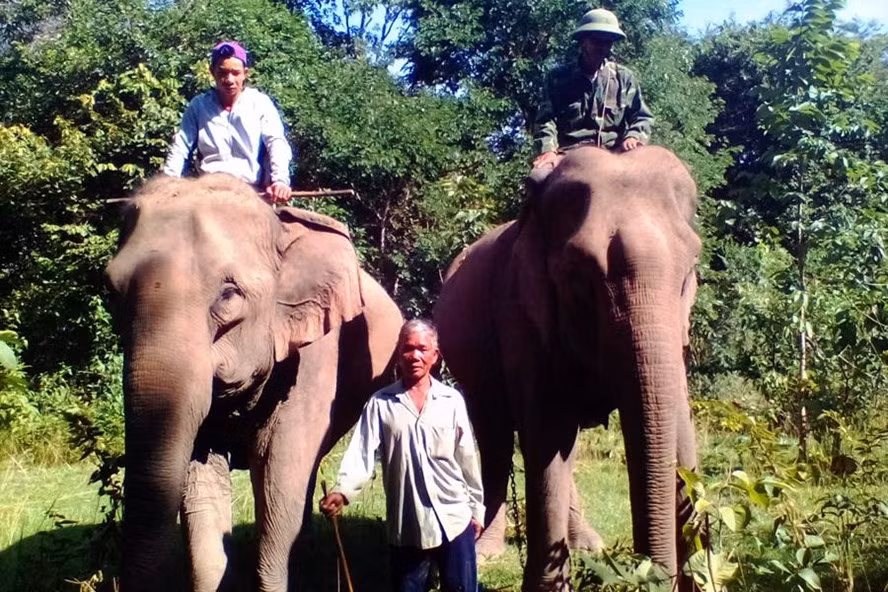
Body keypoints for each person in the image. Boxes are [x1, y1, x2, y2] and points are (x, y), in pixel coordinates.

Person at [320, 319, 484, 592]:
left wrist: (476, 510)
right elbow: (362, 453)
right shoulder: (380, 404)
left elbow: (466, 458)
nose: (415, 356)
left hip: (454, 518)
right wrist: (342, 491)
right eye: (408, 348)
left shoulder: (451, 400)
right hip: (408, 523)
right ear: (399, 354)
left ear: (435, 356)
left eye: (422, 349)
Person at [163, 41, 293, 203]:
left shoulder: (260, 103)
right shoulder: (198, 106)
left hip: (250, 191)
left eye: (235, 73)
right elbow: (180, 146)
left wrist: (280, 181)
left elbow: (276, 143)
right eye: (222, 73)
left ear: (245, 73)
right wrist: (168, 182)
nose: (229, 80)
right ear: (212, 72)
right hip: (207, 193)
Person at [532, 8, 653, 170]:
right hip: (569, 154)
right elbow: (545, 119)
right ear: (583, 41)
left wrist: (633, 136)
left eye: (607, 42)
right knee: (538, 178)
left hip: (615, 153)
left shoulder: (624, 78)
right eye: (596, 41)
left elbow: (642, 116)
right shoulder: (558, 78)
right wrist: (548, 150)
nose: (602, 47)